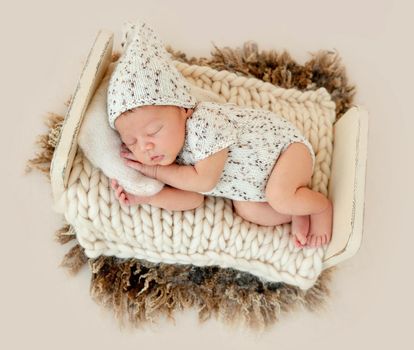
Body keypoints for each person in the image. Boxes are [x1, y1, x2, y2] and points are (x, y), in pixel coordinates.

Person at [107, 20, 332, 249]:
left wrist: (156, 171)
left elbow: (204, 181)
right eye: (131, 142)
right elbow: (192, 199)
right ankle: (296, 210)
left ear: (183, 109)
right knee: (249, 210)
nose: (145, 147)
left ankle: (320, 208)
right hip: (258, 187)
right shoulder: (174, 159)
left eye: (154, 131)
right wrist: (146, 197)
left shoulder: (203, 123)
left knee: (279, 196)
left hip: (288, 152)